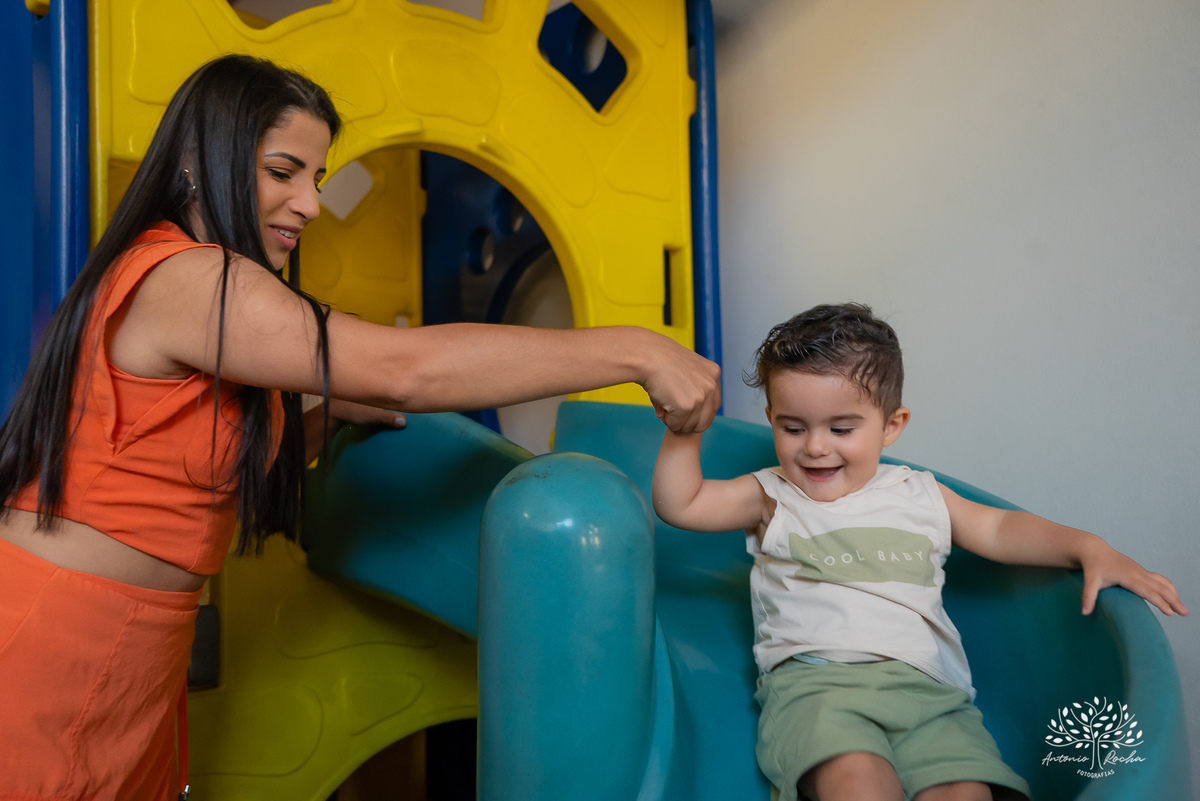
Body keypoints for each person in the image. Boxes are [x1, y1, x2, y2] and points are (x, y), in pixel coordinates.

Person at [0, 54, 720, 801]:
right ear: (194, 160)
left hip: (136, 653)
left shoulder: (205, 298)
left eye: (315, 177)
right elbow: (405, 367)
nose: (309, 203)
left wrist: (318, 422)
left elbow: (176, 480)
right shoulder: (188, 276)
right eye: (284, 171)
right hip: (60, 638)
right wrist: (636, 350)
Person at [651, 303, 1186, 801]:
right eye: (793, 428)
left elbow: (1000, 530)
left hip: (927, 690)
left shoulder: (920, 493)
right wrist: (683, 434)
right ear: (772, 420)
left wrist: (1088, 548)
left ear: (891, 426)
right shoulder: (772, 495)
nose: (815, 446)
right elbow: (686, 504)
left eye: (841, 428)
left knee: (964, 792)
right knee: (858, 781)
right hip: (819, 686)